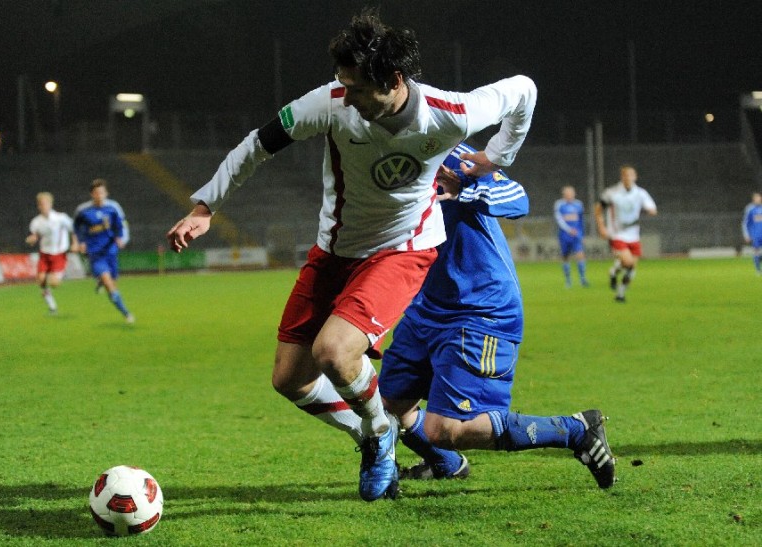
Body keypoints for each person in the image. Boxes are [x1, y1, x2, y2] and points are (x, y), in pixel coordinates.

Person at [166, 10, 536, 501]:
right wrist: (205, 206)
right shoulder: (331, 102)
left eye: (358, 88)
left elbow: (524, 90)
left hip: (403, 249)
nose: (348, 95)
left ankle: (380, 433)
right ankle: (373, 429)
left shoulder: (451, 112)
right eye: (343, 83)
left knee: (334, 352)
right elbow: (258, 144)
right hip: (336, 250)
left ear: (394, 81)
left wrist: (495, 157)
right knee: (290, 379)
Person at [378, 143, 615, 489]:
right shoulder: (366, 159)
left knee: (445, 429)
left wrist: (466, 190)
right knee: (386, 403)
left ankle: (576, 430)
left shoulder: (446, 150)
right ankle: (447, 464)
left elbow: (517, 198)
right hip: (425, 306)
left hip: (479, 308)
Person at [74, 179, 134, 323]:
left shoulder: (112, 209)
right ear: (92, 194)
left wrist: (120, 238)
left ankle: (101, 281)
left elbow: (120, 225)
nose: (99, 195)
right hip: (95, 253)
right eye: (96, 193)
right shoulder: (84, 211)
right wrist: (80, 242)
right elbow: (76, 227)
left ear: (106, 193)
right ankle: (126, 313)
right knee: (109, 284)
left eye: (101, 192)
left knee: (113, 284)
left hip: (111, 251)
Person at [595, 165, 657, 303]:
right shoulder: (612, 193)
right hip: (617, 235)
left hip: (634, 236)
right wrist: (601, 227)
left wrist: (651, 210)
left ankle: (620, 292)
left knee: (631, 268)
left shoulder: (640, 193)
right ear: (622, 177)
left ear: (635, 177)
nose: (628, 178)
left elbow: (652, 207)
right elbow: (598, 209)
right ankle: (616, 273)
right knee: (628, 263)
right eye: (625, 175)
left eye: (630, 175)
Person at [25, 192, 78, 313]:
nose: (43, 206)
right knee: (41, 280)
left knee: (54, 283)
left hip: (59, 254)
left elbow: (73, 229)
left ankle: (59, 274)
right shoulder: (36, 222)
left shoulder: (60, 218)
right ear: (38, 206)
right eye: (41, 204)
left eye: (45, 203)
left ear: (50, 204)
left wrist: (75, 243)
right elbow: (34, 237)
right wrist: (31, 240)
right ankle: (52, 306)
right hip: (44, 254)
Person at [553, 185, 588, 287]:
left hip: (576, 234)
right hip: (565, 235)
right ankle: (568, 280)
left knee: (580, 255)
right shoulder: (559, 204)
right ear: (564, 194)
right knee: (565, 256)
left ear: (574, 194)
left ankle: (583, 279)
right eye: (567, 193)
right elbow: (559, 219)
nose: (569, 195)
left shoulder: (578, 204)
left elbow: (581, 220)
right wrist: (568, 229)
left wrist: (581, 233)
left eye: (571, 193)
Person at [742, 192, 762, 275]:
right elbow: (745, 223)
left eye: (759, 197)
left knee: (758, 254)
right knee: (756, 251)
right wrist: (746, 235)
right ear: (753, 199)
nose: (758, 199)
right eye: (756, 198)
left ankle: (759, 259)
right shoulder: (750, 208)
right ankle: (758, 270)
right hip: (755, 235)